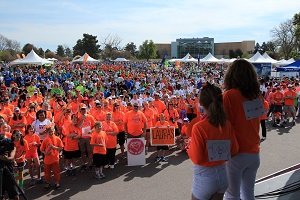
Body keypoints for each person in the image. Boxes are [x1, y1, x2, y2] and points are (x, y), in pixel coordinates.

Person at [188, 83, 239, 200]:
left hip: (204, 178)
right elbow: (234, 150)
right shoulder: (226, 123)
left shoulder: (199, 127)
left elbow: (197, 159)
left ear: (201, 103)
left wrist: (190, 146)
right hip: (223, 174)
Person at [222, 59, 262, 200]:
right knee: (248, 193)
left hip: (236, 154)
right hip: (254, 152)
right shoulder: (257, 95)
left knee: (232, 195)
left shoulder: (228, 96)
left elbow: (222, 123)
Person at [40, 125, 64, 190]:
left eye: (52, 132)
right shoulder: (45, 140)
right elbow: (41, 149)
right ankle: (48, 182)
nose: (51, 133)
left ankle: (57, 182)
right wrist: (45, 153)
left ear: (54, 131)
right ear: (47, 132)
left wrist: (54, 147)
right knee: (47, 172)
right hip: (47, 159)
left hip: (55, 158)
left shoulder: (57, 138)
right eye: (49, 132)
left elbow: (61, 147)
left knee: (56, 171)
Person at [0, 133, 19, 200]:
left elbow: (11, 157)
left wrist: (6, 159)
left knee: (14, 195)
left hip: (8, 172)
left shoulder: (11, 145)